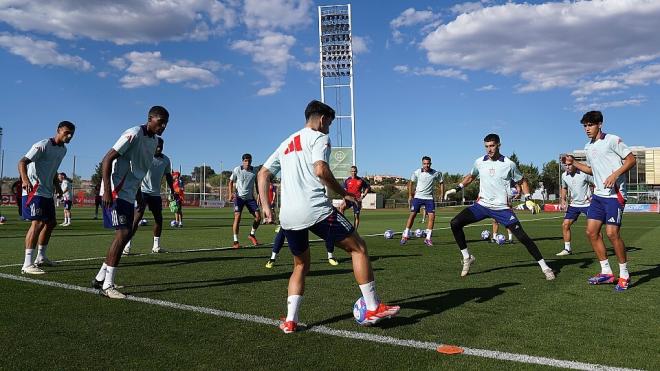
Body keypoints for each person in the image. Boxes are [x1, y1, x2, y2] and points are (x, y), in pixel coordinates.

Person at [257, 100, 399, 333]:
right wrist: (345, 194)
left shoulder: (285, 143)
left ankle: (290, 321)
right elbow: (321, 170)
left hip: (288, 216)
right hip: (315, 210)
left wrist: (266, 207)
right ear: (322, 119)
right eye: (329, 124)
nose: (329, 129)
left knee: (300, 265)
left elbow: (263, 173)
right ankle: (372, 307)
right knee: (359, 248)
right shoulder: (319, 138)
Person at [445, 133, 555, 280]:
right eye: (486, 146)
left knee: (523, 237)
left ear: (499, 145)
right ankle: (467, 258)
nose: (489, 149)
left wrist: (528, 199)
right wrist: (457, 188)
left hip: (501, 208)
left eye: (492, 146)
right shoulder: (479, 162)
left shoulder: (509, 164)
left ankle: (545, 267)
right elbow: (471, 176)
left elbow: (522, 181)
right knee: (455, 223)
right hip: (482, 205)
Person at [92, 106, 169, 299]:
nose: (164, 126)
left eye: (166, 123)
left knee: (126, 234)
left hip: (129, 193)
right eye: (161, 122)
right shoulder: (133, 133)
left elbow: (137, 171)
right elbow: (107, 158)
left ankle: (101, 277)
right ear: (150, 119)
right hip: (116, 192)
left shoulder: (153, 142)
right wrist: (108, 191)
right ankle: (107, 286)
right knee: (123, 233)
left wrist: (139, 197)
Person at [569, 111, 636, 291]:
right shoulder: (588, 147)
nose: (587, 129)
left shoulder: (612, 140)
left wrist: (615, 174)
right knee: (591, 232)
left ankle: (624, 275)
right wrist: (574, 162)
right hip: (598, 196)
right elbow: (592, 170)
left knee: (612, 234)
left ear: (600, 124)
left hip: (615, 196)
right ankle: (606, 272)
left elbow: (631, 160)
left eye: (590, 125)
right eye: (584, 125)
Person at [17, 121, 76, 274]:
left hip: (47, 191)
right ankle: (27, 264)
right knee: (37, 223)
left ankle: (41, 257)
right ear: (58, 130)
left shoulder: (63, 150)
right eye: (66, 132)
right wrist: (25, 180)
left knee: (51, 223)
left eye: (72, 134)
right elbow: (22, 162)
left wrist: (58, 188)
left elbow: (54, 171)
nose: (69, 136)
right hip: (34, 190)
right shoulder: (42, 145)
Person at [123, 137, 177, 255]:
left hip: (155, 194)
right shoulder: (145, 156)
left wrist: (172, 190)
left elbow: (168, 176)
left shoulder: (166, 160)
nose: (159, 147)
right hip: (142, 192)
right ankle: (127, 246)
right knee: (137, 218)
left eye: (161, 146)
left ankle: (156, 246)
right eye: (157, 145)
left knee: (159, 219)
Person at [400, 156, 444, 246]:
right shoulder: (417, 172)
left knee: (432, 216)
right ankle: (405, 235)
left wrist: (442, 194)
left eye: (428, 163)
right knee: (412, 215)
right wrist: (410, 195)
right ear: (422, 164)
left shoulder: (436, 173)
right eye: (424, 163)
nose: (426, 165)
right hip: (418, 197)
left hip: (429, 198)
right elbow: (411, 183)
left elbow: (441, 182)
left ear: (430, 164)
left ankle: (428, 238)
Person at [556, 154, 594, 256]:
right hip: (574, 205)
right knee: (565, 225)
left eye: (569, 164)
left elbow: (596, 183)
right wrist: (563, 199)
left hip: (588, 204)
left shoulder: (584, 173)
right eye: (565, 165)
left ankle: (599, 247)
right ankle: (567, 249)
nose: (567, 167)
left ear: (574, 163)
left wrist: (595, 197)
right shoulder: (564, 176)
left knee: (594, 229)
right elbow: (564, 188)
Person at [228, 153, 261, 248]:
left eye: (249, 161)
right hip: (239, 198)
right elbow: (230, 182)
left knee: (258, 217)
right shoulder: (237, 170)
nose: (247, 162)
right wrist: (230, 194)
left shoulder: (255, 171)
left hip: (250, 198)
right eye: (245, 161)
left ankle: (251, 235)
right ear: (242, 161)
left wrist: (258, 195)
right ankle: (235, 241)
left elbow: (257, 184)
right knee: (237, 217)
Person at [338, 165, 371, 230]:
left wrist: (363, 196)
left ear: (357, 172)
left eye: (355, 171)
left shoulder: (360, 180)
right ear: (350, 172)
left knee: (356, 216)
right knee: (341, 207)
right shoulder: (347, 180)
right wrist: (344, 199)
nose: (353, 172)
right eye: (352, 171)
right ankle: (343, 225)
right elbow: (344, 191)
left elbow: (367, 187)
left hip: (357, 200)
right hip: (349, 199)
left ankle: (355, 231)